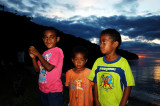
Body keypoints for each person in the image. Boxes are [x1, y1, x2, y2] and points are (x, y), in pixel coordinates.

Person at [88, 28, 135, 106]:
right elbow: (95, 83)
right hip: (101, 103)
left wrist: (122, 104)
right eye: (100, 42)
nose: (101, 45)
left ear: (115, 44)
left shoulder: (123, 63)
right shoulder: (98, 62)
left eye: (104, 42)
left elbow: (128, 85)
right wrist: (96, 100)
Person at [29, 27, 64, 106]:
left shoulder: (58, 51)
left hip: (54, 91)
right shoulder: (44, 53)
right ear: (43, 39)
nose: (48, 40)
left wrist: (37, 54)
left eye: (51, 37)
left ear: (57, 39)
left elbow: (49, 68)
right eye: (45, 37)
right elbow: (37, 70)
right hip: (42, 89)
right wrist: (34, 58)